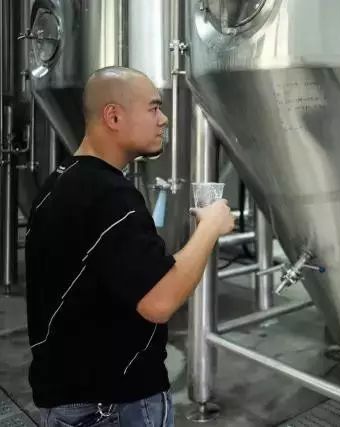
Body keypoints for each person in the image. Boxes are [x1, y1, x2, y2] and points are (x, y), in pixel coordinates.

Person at [26, 66, 234, 426]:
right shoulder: (110, 196)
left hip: (67, 401)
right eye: (154, 108)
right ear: (114, 116)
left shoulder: (59, 184)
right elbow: (160, 301)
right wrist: (210, 227)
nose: (164, 119)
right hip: (113, 406)